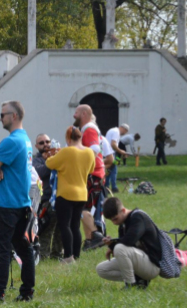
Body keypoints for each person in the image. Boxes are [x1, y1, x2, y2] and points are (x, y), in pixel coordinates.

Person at [0, 101, 35, 302]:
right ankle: (27, 291)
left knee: (2, 250)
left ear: (13, 116)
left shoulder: (10, 142)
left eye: (2, 114)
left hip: (7, 204)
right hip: (22, 203)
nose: (0, 118)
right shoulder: (26, 139)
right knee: (22, 246)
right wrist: (0, 169)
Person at [44, 127, 95, 264]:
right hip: (82, 194)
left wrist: (53, 156)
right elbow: (91, 169)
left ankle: (68, 256)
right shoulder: (90, 152)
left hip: (66, 194)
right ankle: (76, 255)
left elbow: (50, 163)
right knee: (75, 225)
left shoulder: (67, 151)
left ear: (68, 138)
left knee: (64, 225)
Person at [97, 197, 161, 289]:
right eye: (111, 220)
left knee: (119, 248)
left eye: (115, 219)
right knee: (101, 269)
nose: (114, 222)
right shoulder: (123, 224)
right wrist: (111, 246)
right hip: (140, 262)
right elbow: (124, 249)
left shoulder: (138, 217)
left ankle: (130, 285)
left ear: (123, 210)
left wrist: (113, 245)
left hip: (152, 266)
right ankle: (139, 281)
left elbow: (129, 241)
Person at [72, 105, 105, 250]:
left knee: (84, 208)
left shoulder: (89, 128)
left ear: (84, 114)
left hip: (93, 174)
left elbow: (95, 148)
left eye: (76, 112)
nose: (74, 115)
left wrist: (80, 160)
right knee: (84, 208)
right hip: (93, 173)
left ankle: (96, 237)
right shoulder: (87, 129)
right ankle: (90, 240)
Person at [32, 134, 62, 259]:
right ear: (36, 146)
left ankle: (57, 253)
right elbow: (40, 172)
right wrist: (51, 161)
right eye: (41, 143)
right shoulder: (35, 160)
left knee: (61, 229)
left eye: (47, 141)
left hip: (60, 196)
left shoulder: (59, 156)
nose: (45, 144)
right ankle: (43, 255)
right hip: (46, 199)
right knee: (46, 228)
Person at [105, 124, 129, 192]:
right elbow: (113, 144)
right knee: (114, 171)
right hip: (111, 154)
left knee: (109, 170)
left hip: (109, 153)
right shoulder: (116, 132)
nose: (124, 133)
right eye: (126, 132)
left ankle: (106, 186)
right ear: (124, 129)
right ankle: (114, 187)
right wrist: (121, 151)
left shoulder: (112, 130)